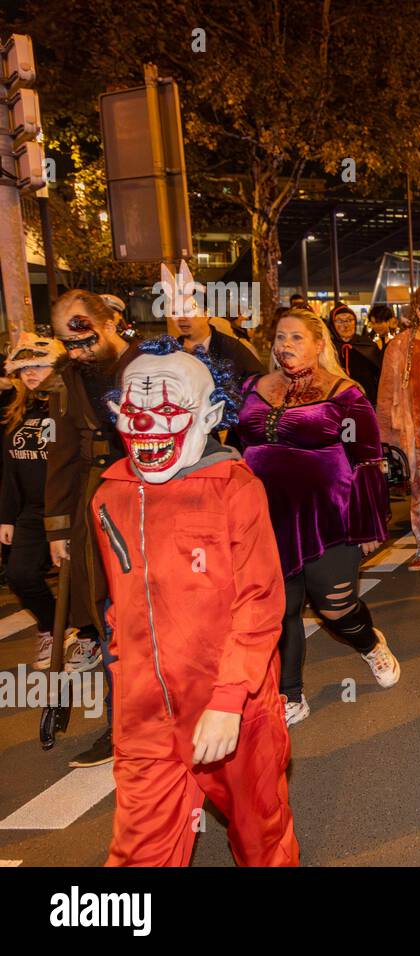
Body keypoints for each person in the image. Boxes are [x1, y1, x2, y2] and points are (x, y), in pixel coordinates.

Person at [95, 337, 298, 866]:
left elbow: (259, 601)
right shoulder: (108, 495)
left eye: (166, 408)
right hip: (143, 710)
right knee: (140, 848)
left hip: (232, 702)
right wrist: (119, 664)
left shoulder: (234, 489)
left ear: (210, 414)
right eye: (135, 408)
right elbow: (119, 597)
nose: (145, 423)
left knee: (260, 835)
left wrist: (229, 701)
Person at [235, 308, 398, 726]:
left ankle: (370, 643)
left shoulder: (344, 393)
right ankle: (290, 695)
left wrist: (368, 524)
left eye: (296, 337)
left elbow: (367, 460)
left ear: (319, 344)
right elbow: (235, 446)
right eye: (280, 337)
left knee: (336, 605)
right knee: (279, 609)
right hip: (265, 520)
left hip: (329, 518)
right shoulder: (253, 387)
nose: (285, 345)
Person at [47, 290, 132, 767]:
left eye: (83, 339)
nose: (76, 352)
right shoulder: (67, 378)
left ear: (110, 323)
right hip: (94, 503)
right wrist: (58, 528)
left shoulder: (150, 363)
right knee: (106, 615)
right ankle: (119, 724)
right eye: (67, 344)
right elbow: (60, 452)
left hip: (152, 497)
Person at [1, 334, 66, 669]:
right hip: (31, 511)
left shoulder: (67, 403)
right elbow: (10, 466)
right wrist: (6, 517)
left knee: (80, 580)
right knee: (19, 575)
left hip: (65, 508)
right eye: (24, 368)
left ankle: (86, 636)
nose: (30, 373)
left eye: (38, 365)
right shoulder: (18, 408)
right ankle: (52, 624)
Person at [377, 285, 420, 570]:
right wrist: (388, 439)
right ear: (417, 311)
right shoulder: (399, 346)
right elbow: (385, 395)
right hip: (417, 434)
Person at [173, 308, 264, 386]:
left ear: (206, 313)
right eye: (175, 312)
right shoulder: (168, 352)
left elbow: (261, 386)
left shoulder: (233, 349)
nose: (181, 318)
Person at [328, 304, 382, 405]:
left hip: (366, 401)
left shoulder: (367, 345)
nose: (346, 325)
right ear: (332, 324)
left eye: (350, 320)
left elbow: (380, 378)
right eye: (339, 321)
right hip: (335, 403)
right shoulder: (328, 348)